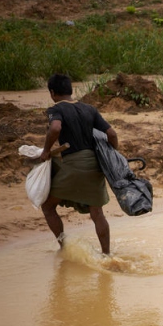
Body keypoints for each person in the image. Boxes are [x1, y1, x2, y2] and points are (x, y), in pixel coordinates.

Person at [38, 74, 119, 254]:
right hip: (95, 165)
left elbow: (55, 128)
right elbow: (112, 135)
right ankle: (107, 254)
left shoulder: (55, 109)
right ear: (70, 90)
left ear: (52, 92)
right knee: (97, 213)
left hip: (74, 164)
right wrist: (114, 157)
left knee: (48, 206)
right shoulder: (89, 109)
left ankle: (64, 247)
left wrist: (45, 151)